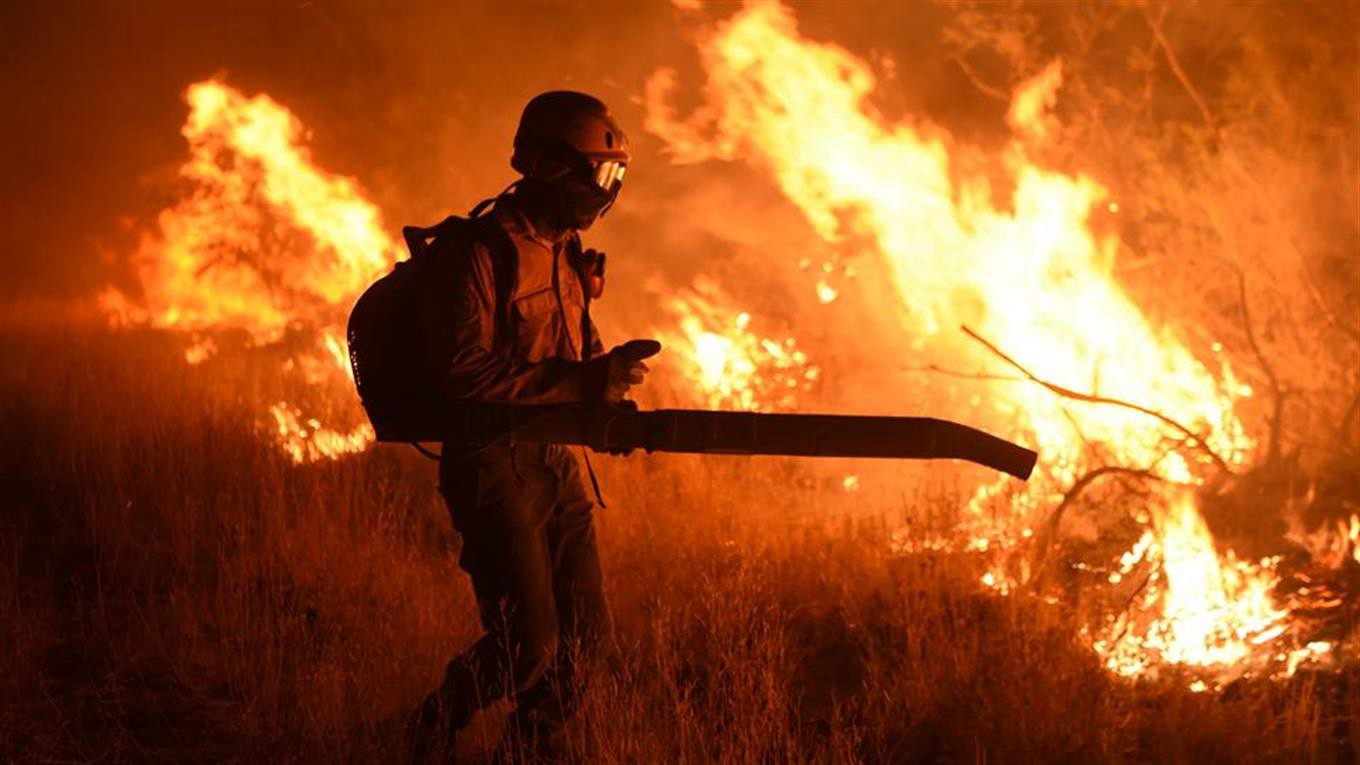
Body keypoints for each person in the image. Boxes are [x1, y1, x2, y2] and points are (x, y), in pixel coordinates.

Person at [407, 91, 656, 762]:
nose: (603, 193)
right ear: (548, 167)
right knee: (529, 644)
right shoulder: (478, 251)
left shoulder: (567, 249)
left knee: (586, 644)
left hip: (555, 462)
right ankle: (433, 723)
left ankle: (525, 751)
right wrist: (581, 384)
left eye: (612, 177)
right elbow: (462, 373)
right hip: (492, 467)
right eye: (595, 175)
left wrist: (608, 385)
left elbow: (574, 354)